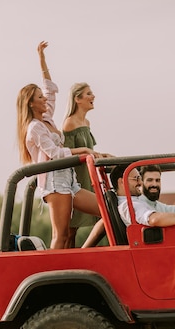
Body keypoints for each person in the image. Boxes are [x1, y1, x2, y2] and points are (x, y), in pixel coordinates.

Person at [16, 41, 103, 249]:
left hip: (70, 180)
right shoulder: (34, 128)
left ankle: (83, 255)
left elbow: (50, 90)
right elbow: (54, 153)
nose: (44, 100)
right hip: (55, 183)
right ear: (30, 103)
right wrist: (83, 150)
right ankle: (53, 274)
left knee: (104, 209)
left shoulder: (47, 119)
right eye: (39, 98)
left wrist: (42, 59)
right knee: (61, 236)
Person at [62, 82, 114, 248]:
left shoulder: (87, 123)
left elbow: (90, 151)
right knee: (71, 231)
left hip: (89, 176)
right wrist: (86, 152)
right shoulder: (69, 123)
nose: (93, 97)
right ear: (77, 99)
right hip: (75, 178)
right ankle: (67, 262)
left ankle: (85, 251)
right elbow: (66, 153)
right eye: (88, 94)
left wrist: (102, 155)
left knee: (104, 216)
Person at [110, 164, 175, 227]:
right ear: (122, 182)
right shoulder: (129, 204)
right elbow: (154, 219)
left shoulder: (133, 202)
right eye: (136, 179)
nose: (140, 182)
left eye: (157, 180)